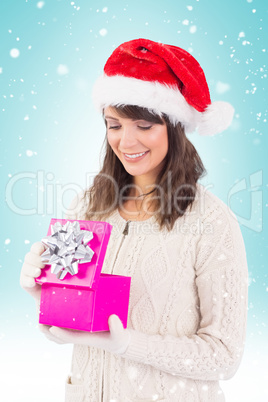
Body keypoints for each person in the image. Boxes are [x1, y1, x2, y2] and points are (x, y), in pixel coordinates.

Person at [20, 38, 248, 401]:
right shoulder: (87, 207)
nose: (126, 141)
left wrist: (129, 344)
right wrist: (44, 297)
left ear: (174, 128)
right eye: (114, 125)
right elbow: (65, 330)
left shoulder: (212, 222)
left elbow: (224, 357)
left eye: (143, 125)